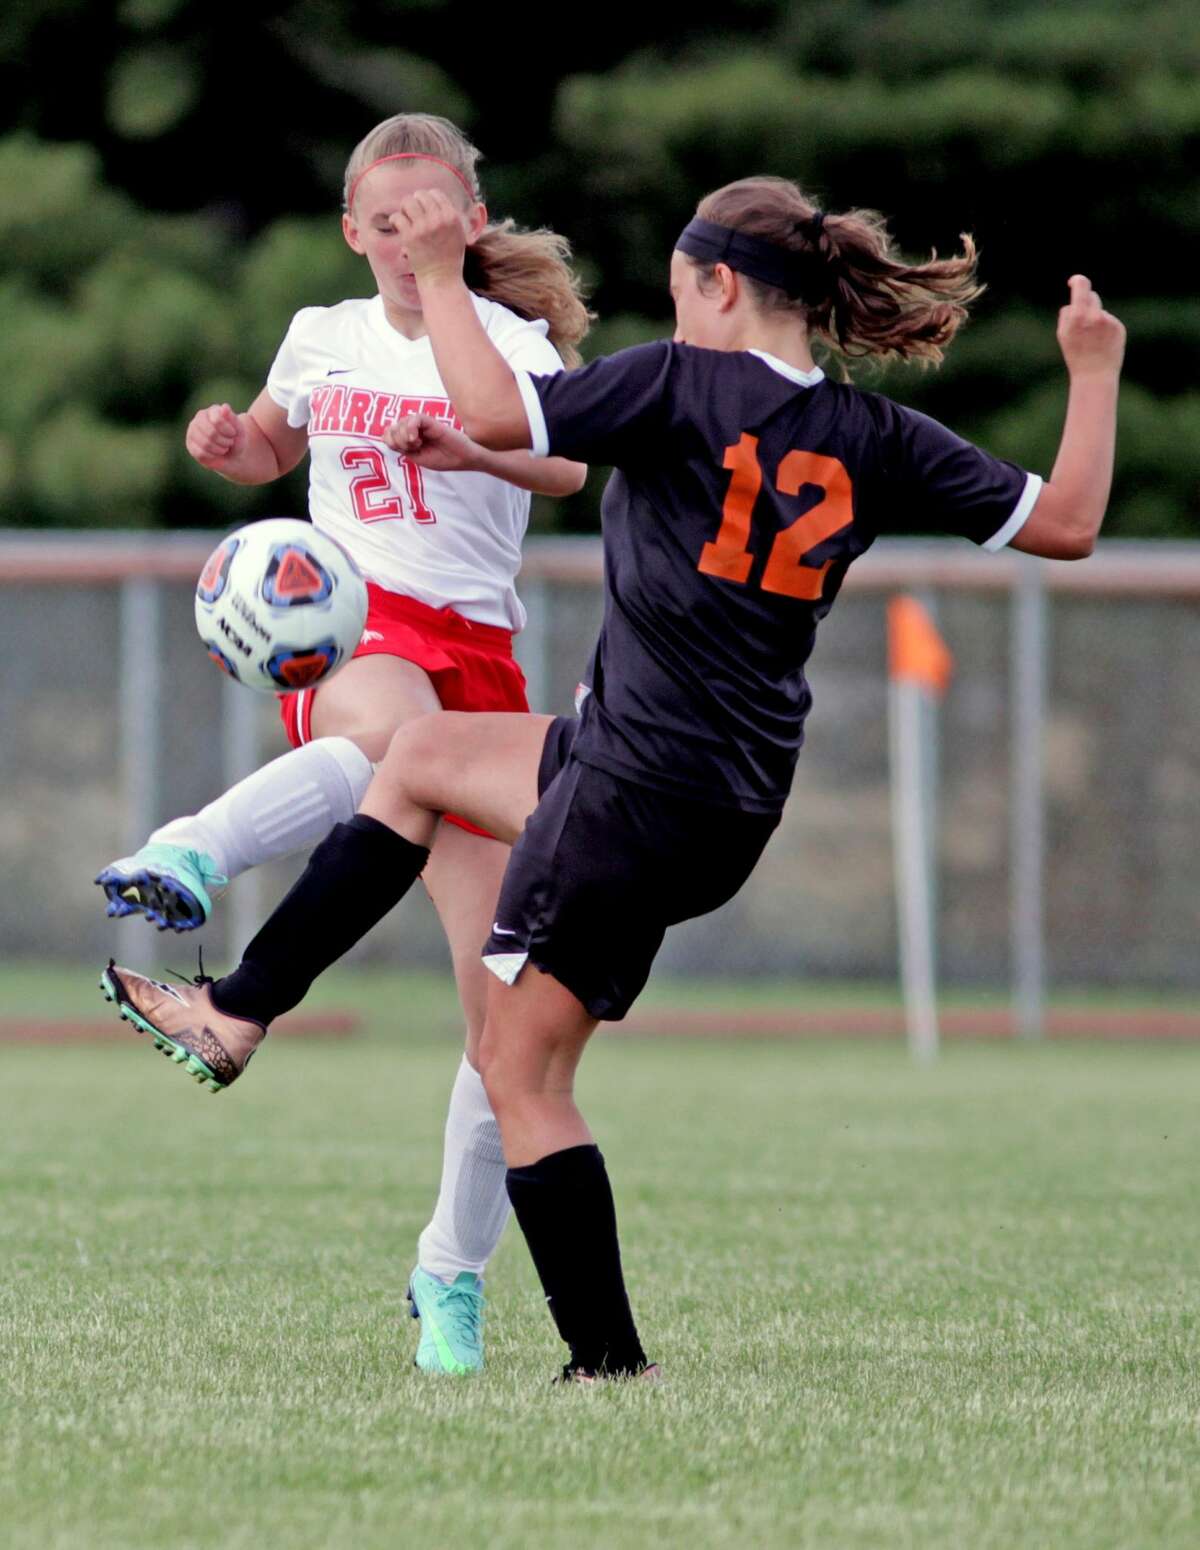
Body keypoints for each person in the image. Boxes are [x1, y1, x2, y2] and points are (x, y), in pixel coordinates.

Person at [102, 174, 1125, 1381]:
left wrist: (437, 271)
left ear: (720, 285)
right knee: (422, 756)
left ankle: (605, 1363)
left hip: (628, 788)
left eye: (685, 287)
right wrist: (1093, 369)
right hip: (719, 796)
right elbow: (1064, 524)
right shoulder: (871, 433)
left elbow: (495, 410)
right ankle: (239, 1009)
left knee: (518, 1070)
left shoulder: (677, 383)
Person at [96, 112, 592, 1377]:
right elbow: (275, 440)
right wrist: (233, 445)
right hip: (355, 630)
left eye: (432, 220)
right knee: (398, 736)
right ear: (352, 232)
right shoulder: (322, 334)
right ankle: (191, 852)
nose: (406, 240)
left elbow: (569, 466)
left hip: (479, 656)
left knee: (505, 1031)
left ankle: (448, 1273)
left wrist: (471, 437)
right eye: (385, 222)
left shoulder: (510, 338)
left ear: (471, 223)